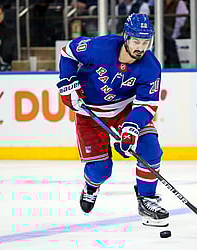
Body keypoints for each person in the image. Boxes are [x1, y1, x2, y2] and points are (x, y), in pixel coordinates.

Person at [57, 13, 169, 227]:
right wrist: (67, 81)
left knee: (151, 148)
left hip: (123, 110)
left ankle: (147, 200)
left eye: (146, 42)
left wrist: (131, 129)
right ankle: (91, 186)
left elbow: (146, 105)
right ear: (126, 37)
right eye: (136, 41)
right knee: (101, 170)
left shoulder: (150, 67)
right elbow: (68, 52)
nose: (141, 47)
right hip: (90, 113)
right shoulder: (100, 47)